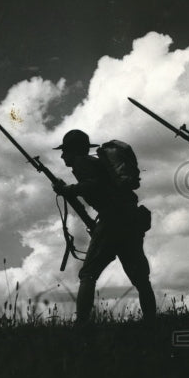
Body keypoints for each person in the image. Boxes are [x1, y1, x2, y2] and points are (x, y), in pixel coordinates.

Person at [53, 129, 157, 324]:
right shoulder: (96, 163)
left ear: (74, 151)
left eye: (65, 151)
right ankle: (152, 322)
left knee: (87, 274)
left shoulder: (83, 162)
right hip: (129, 220)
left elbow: (94, 185)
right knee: (141, 279)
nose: (62, 155)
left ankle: (81, 325)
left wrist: (68, 190)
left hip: (113, 220)